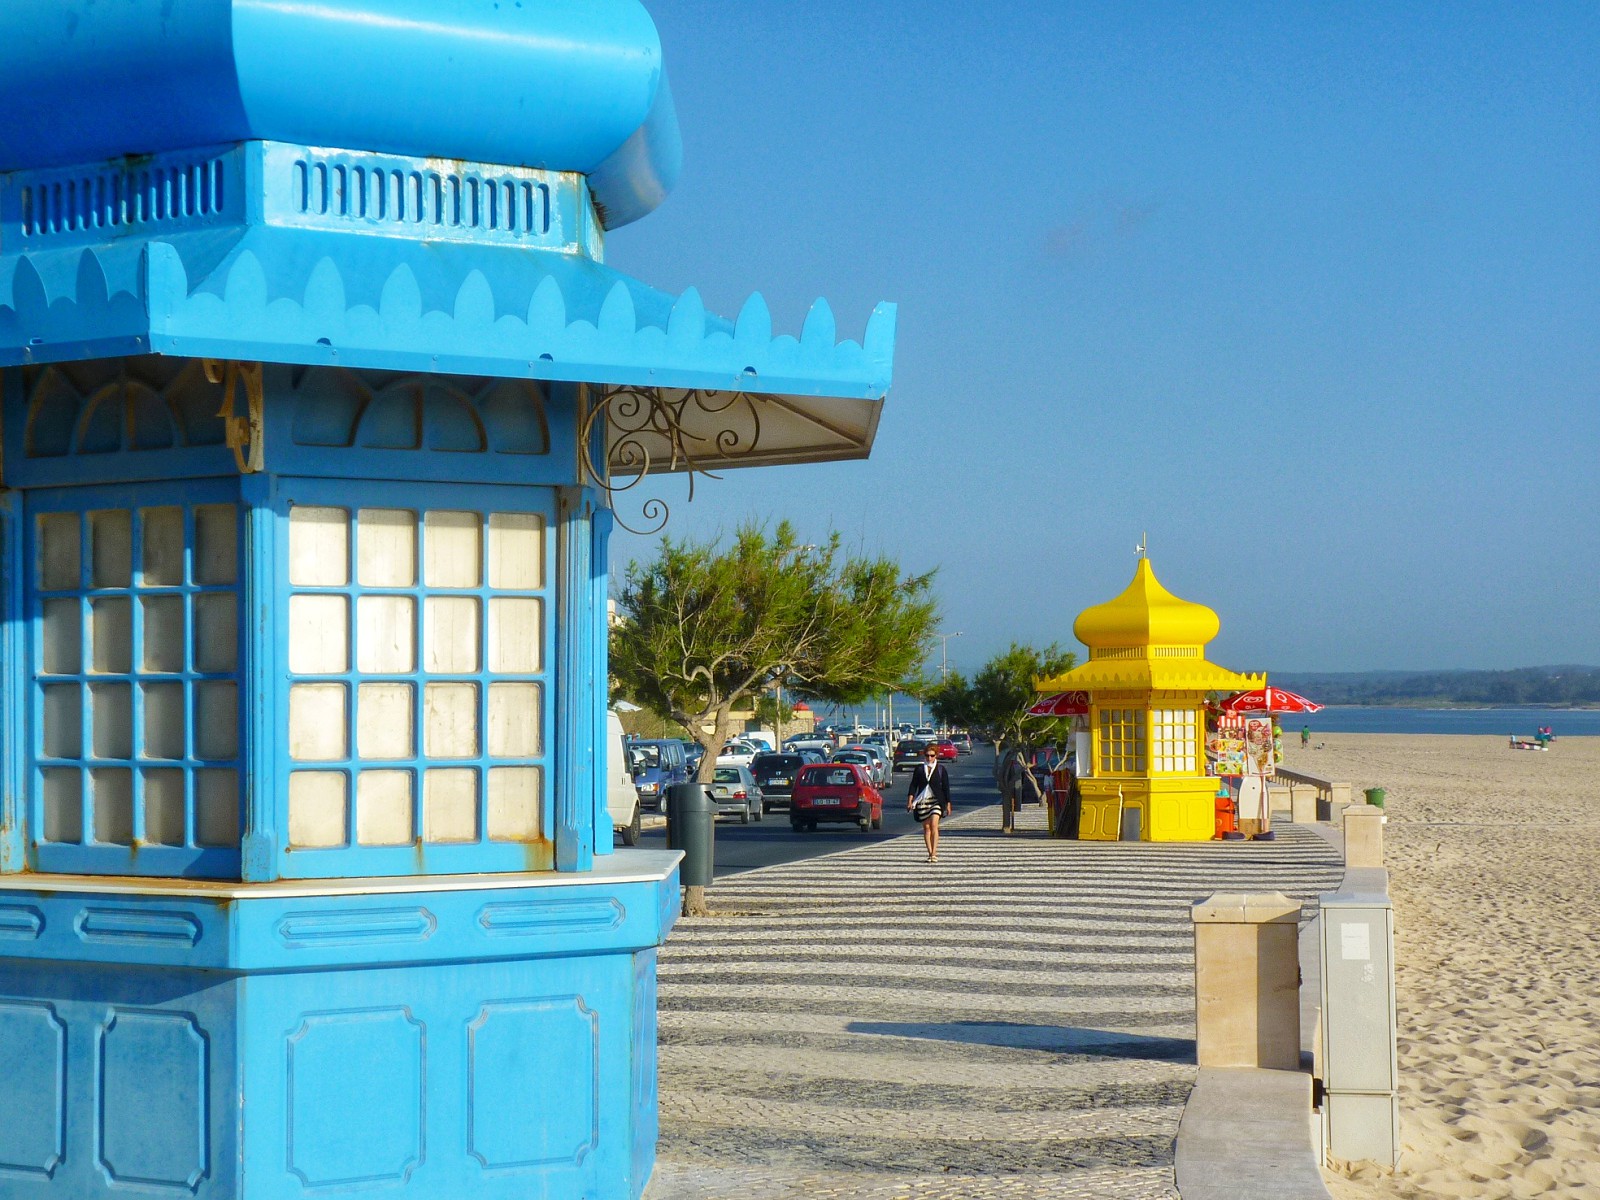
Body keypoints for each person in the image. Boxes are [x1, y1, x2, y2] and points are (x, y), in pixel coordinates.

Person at [906, 744, 952, 861]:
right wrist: (910, 800)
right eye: (927, 755)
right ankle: (929, 852)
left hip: (936, 800)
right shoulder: (920, 769)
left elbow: (946, 787)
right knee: (926, 828)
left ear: (936, 755)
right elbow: (913, 785)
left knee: (934, 825)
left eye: (932, 755)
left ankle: (934, 853)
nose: (929, 758)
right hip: (923, 801)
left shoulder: (941, 769)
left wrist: (948, 803)